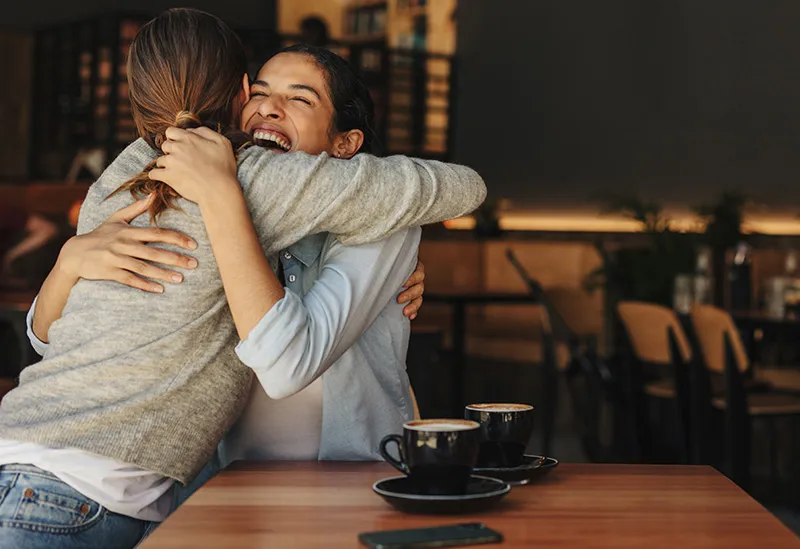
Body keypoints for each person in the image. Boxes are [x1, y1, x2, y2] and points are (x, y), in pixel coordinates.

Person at [0, 9, 485, 549]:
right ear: (241, 94)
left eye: (301, 98)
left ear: (346, 146)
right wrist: (69, 260)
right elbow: (51, 340)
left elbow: (284, 363)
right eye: (264, 92)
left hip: (341, 484)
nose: (272, 107)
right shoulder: (206, 174)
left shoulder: (197, 180)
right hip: (182, 492)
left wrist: (223, 196)